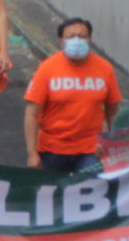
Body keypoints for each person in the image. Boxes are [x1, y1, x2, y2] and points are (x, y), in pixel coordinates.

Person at [24, 19, 121, 172]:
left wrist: (112, 144)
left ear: (90, 40)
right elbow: (31, 114)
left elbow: (113, 112)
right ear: (61, 42)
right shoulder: (47, 69)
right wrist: (32, 153)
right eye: (71, 37)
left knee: (88, 191)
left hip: (91, 150)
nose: (77, 40)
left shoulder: (105, 69)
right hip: (51, 150)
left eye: (82, 36)